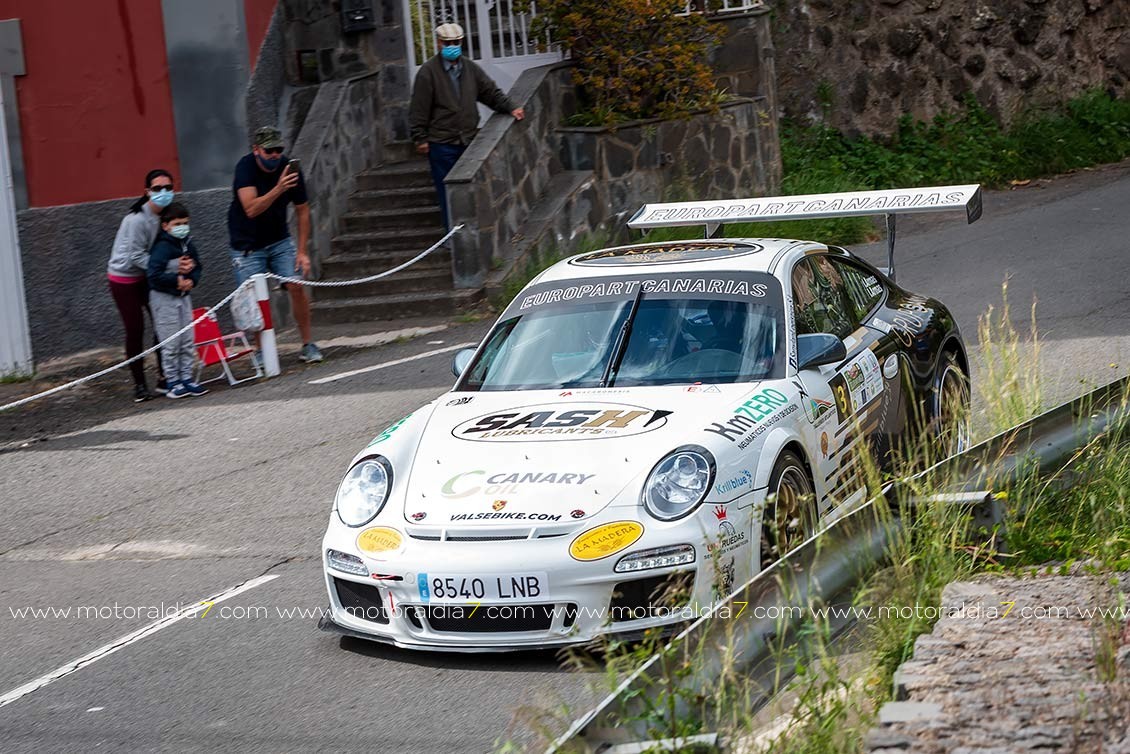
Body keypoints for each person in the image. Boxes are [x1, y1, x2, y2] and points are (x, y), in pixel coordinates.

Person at [409, 22, 525, 229]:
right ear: (439, 43)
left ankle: (472, 230)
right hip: (442, 143)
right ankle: (451, 235)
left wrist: (510, 107)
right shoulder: (428, 72)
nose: (452, 46)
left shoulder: (470, 68)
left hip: (468, 139)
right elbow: (419, 107)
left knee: (471, 191)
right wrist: (420, 137)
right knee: (447, 194)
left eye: (456, 42)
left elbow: (489, 92)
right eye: (447, 42)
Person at [228, 126, 322, 364]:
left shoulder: (289, 168)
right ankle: (261, 351)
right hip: (247, 243)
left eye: (278, 149)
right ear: (256, 150)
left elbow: (302, 210)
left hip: (279, 239)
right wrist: (279, 188)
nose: (275, 155)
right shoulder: (245, 167)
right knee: (255, 297)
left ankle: (308, 343)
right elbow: (251, 209)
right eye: (269, 150)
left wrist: (302, 251)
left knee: (296, 284)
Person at [107, 169, 192, 402]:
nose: (163, 192)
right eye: (157, 189)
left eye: (168, 188)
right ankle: (139, 385)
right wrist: (171, 268)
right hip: (124, 279)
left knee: (163, 325)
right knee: (135, 329)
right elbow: (135, 256)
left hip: (148, 276)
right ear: (147, 192)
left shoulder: (169, 215)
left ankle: (166, 377)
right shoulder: (136, 220)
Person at [147, 202, 207, 399]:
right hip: (164, 300)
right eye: (177, 223)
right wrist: (176, 281)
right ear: (165, 225)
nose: (182, 227)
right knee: (171, 342)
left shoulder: (188, 243)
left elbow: (197, 266)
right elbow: (153, 275)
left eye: (185, 223)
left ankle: (187, 378)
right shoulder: (162, 247)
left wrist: (192, 281)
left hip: (184, 298)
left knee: (187, 340)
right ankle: (172, 381)